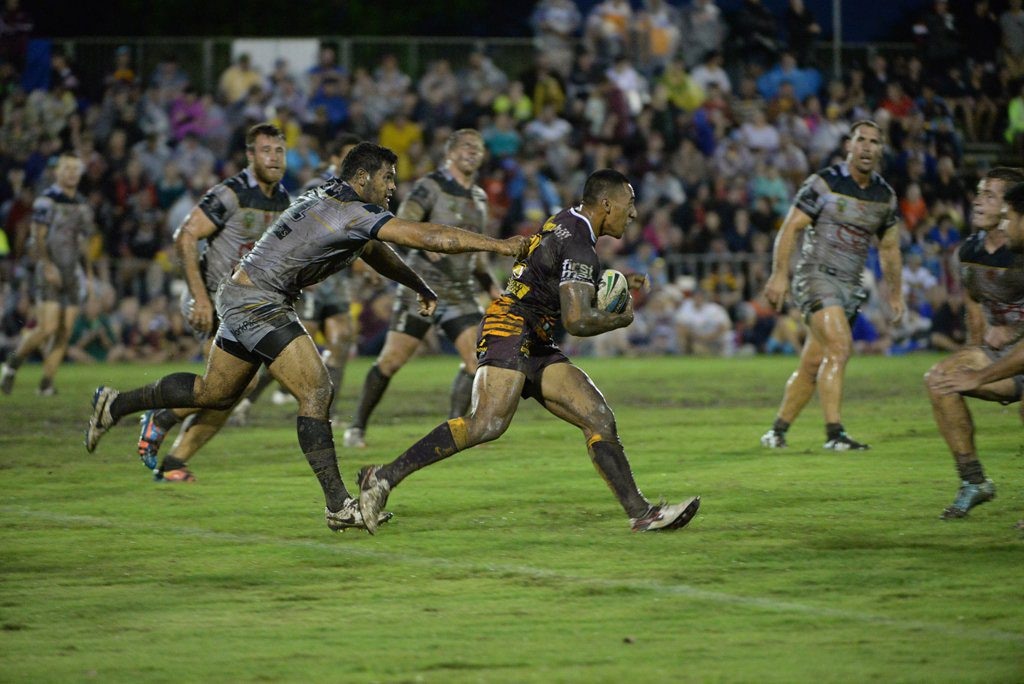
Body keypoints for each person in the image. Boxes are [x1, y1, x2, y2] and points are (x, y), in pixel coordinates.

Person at [85, 143, 529, 533]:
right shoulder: (352, 210)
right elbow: (430, 237)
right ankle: (339, 506)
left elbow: (374, 250)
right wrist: (501, 246)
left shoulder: (329, 200)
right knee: (316, 388)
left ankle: (115, 404)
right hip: (259, 300)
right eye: (387, 178)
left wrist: (418, 286)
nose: (393, 187)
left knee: (214, 393)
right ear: (362, 177)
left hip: (243, 293)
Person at [355, 169, 701, 535]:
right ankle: (381, 478)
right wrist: (620, 319)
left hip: (533, 334)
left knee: (598, 417)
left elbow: (551, 273)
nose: (632, 214)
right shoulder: (580, 242)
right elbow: (577, 320)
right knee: (486, 424)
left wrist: (602, 281)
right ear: (607, 204)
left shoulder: (567, 220)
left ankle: (642, 514)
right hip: (510, 326)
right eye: (629, 205)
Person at [133, 123, 292, 483]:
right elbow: (186, 236)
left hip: (247, 303)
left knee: (232, 389)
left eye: (279, 151)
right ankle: (160, 417)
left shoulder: (283, 200)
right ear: (250, 155)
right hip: (214, 295)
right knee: (234, 385)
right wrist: (200, 297)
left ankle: (174, 459)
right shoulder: (230, 193)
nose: (273, 157)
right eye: (265, 150)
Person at [343, 129, 498, 449]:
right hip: (423, 289)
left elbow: (477, 256)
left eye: (478, 148)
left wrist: (493, 288)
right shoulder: (431, 187)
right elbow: (404, 222)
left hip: (460, 292)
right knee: (391, 361)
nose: (473, 152)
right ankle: (356, 426)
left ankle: (456, 430)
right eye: (466, 147)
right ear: (450, 153)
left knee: (477, 361)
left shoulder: (480, 199)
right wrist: (428, 245)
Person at [760, 120, 904, 451]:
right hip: (815, 277)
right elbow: (791, 227)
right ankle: (834, 434)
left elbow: (890, 248)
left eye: (874, 141)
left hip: (849, 288)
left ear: (881, 150)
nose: (867, 146)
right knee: (841, 347)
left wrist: (895, 292)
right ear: (849, 146)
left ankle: (777, 431)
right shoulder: (824, 183)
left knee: (813, 362)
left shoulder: (884, 197)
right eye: (861, 140)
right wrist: (780, 274)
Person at [231, 133, 362, 428]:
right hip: (312, 279)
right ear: (333, 159)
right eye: (349, 155)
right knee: (295, 347)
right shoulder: (319, 187)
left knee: (341, 341)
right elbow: (298, 230)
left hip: (337, 281)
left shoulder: (359, 193)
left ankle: (326, 414)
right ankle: (248, 402)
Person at [923, 169, 1024, 519]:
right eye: (979, 193)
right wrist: (977, 347)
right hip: (1002, 353)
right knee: (939, 380)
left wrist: (984, 372)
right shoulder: (968, 251)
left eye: (991, 195)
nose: (979, 200)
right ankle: (973, 481)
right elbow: (973, 302)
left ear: (1011, 208)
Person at [1, 153, 94, 396]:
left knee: (65, 331)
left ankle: (46, 384)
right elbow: (37, 236)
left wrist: (89, 274)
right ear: (57, 172)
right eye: (67, 168)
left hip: (72, 272)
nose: (71, 173)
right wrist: (47, 265)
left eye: (75, 169)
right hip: (50, 269)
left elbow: (83, 241)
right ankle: (13, 363)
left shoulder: (82, 204)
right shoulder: (46, 201)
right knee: (47, 328)